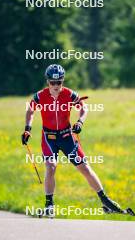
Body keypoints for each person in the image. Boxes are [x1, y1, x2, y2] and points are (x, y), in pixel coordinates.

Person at [22, 64, 122, 217]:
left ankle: (106, 201)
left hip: (67, 136)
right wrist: (27, 129)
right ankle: (49, 205)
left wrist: (80, 122)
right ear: (47, 81)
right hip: (49, 138)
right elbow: (30, 110)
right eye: (52, 83)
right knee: (51, 167)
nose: (56, 86)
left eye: (59, 82)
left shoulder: (69, 94)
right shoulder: (40, 96)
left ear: (63, 81)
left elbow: (84, 108)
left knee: (85, 168)